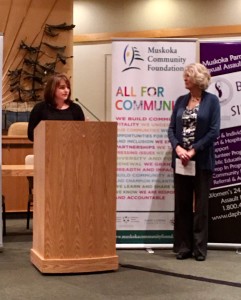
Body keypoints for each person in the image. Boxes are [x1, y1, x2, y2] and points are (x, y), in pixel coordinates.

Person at [168, 63, 220, 261]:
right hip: (181, 161)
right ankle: (183, 247)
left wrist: (193, 150)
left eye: (188, 76)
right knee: (182, 205)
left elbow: (214, 131)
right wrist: (179, 149)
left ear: (198, 79)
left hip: (202, 161)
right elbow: (171, 129)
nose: (185, 79)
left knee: (200, 207)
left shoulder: (212, 101)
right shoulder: (181, 101)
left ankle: (199, 249)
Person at [28, 74, 85, 141]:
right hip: (47, 148)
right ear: (52, 89)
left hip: (71, 148)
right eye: (62, 87)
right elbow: (31, 135)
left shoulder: (76, 108)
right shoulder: (40, 108)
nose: (66, 90)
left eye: (68, 87)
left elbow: (81, 134)